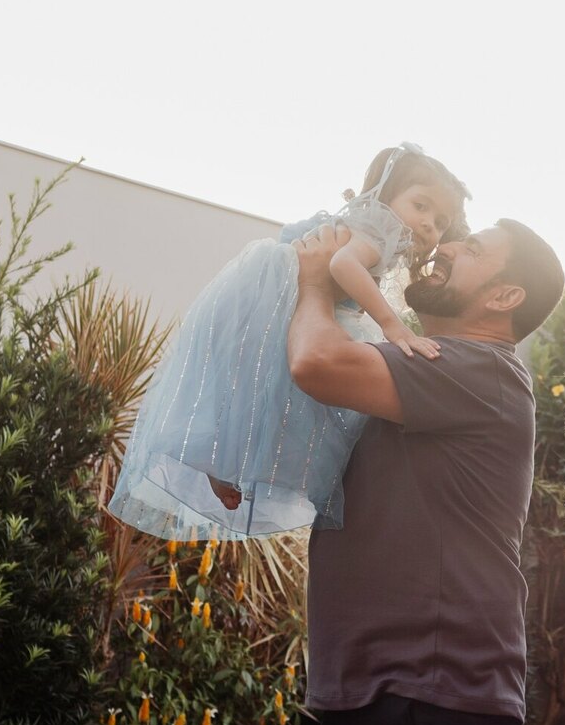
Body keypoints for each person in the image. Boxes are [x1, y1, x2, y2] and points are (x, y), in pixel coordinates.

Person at [287, 217, 564, 725]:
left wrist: (315, 284)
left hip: (426, 697)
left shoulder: (478, 369)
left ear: (504, 296)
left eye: (474, 248)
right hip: (383, 692)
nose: (447, 246)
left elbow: (315, 362)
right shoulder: (422, 375)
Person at [109, 143, 468, 541]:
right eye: (420, 206)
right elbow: (342, 264)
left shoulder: (379, 232)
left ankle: (224, 464)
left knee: (264, 393)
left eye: (439, 221)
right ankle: (231, 465)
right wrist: (392, 325)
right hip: (281, 297)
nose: (428, 225)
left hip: (286, 302)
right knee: (276, 392)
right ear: (388, 196)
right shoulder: (378, 227)